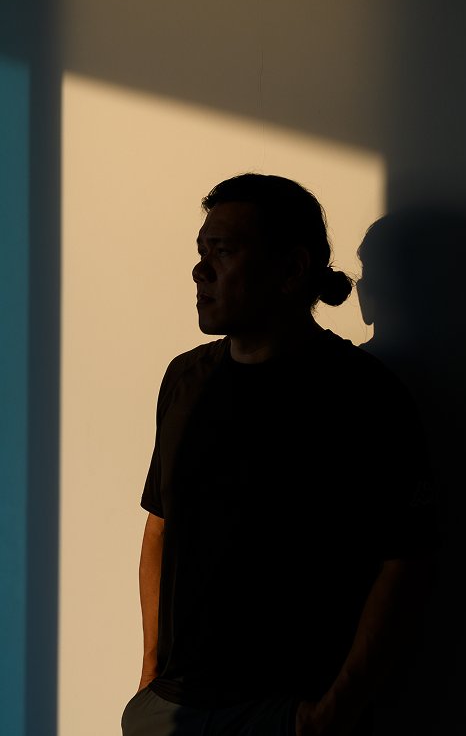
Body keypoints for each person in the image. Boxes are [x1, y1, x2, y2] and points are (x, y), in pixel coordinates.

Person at [121, 173, 437, 736]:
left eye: (223, 251)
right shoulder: (185, 380)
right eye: (201, 251)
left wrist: (331, 712)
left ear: (291, 269)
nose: (199, 271)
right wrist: (151, 676)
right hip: (173, 707)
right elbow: (160, 528)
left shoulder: (364, 396)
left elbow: (404, 564)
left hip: (287, 712)